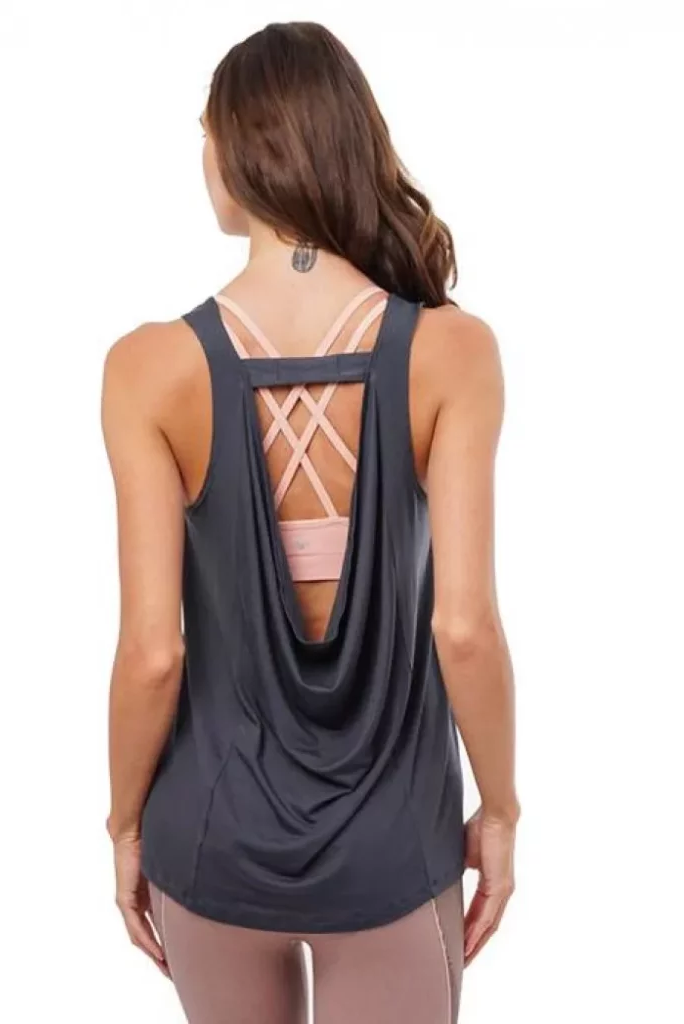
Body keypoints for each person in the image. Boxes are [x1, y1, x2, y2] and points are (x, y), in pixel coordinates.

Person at [101, 20, 518, 1024]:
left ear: (242, 151)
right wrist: (499, 809)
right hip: (392, 846)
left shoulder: (147, 369)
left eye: (207, 133)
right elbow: (463, 628)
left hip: (211, 837)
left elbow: (153, 653)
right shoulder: (451, 353)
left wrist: (123, 824)